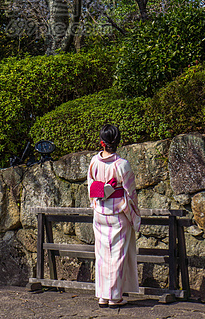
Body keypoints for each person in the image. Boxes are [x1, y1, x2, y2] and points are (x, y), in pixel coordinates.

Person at [87, 124, 141, 309]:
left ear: (102, 142)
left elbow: (91, 187)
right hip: (118, 214)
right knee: (117, 255)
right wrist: (134, 212)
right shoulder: (122, 164)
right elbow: (130, 191)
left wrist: (99, 198)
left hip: (100, 211)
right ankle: (114, 297)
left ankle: (103, 296)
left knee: (101, 255)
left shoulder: (94, 161)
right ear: (118, 142)